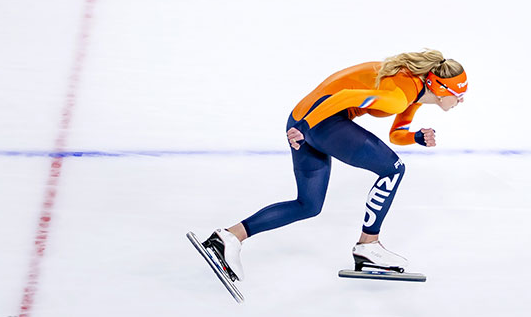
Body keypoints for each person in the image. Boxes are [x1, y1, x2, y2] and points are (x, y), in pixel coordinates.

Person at [199, 49, 468, 281]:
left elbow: (396, 134)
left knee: (308, 205)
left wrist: (416, 138)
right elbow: (345, 98)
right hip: (319, 121)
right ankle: (368, 245)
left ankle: (229, 238)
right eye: (460, 94)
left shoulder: (415, 89)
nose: (462, 100)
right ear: (441, 89)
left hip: (303, 119)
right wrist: (305, 128)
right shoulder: (398, 95)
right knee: (393, 168)